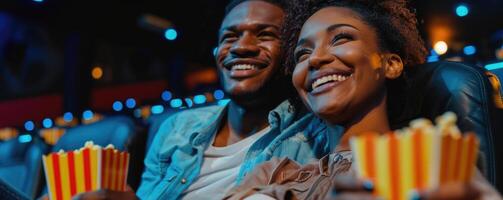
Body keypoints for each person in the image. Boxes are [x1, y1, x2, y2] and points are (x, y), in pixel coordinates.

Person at [225, 0, 502, 199]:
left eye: (341, 38)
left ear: (391, 64)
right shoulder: (273, 173)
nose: (316, 58)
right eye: (302, 54)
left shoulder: (429, 161)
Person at [72, 0, 332, 199]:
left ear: (293, 54)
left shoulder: (314, 137)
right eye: (230, 37)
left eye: (264, 35)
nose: (241, 47)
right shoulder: (177, 127)